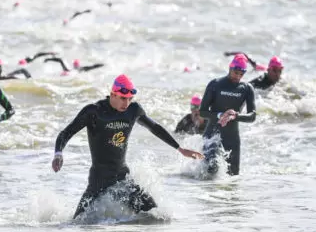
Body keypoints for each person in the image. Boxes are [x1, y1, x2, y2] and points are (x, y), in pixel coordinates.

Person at [51, 74, 203, 219]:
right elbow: (66, 132)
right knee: (76, 224)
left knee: (157, 216)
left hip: (123, 178)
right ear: (113, 94)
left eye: (130, 99)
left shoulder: (133, 110)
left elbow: (155, 128)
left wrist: (180, 149)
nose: (127, 103)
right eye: (123, 98)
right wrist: (58, 153)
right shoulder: (94, 111)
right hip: (99, 181)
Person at [200, 54, 256, 175]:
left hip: (232, 139)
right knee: (210, 173)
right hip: (212, 136)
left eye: (242, 74)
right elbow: (202, 111)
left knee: (233, 178)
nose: (238, 76)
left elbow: (252, 116)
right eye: (236, 72)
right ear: (230, 68)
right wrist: (220, 115)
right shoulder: (215, 84)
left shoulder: (246, 89)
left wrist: (236, 116)